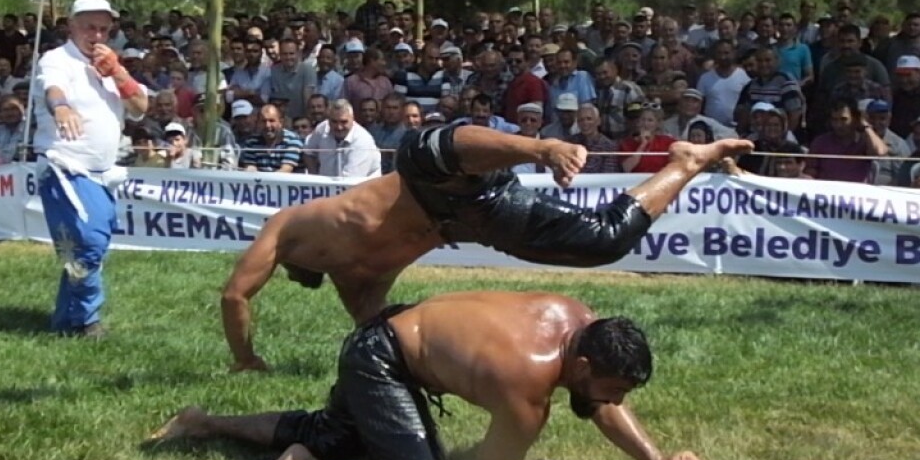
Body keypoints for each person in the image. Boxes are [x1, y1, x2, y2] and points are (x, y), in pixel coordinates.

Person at [220, 123, 752, 371]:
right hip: (469, 218)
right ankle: (685, 161)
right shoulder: (358, 282)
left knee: (425, 148)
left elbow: (235, 296)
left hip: (426, 179)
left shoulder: (286, 225)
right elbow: (378, 333)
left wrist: (245, 360)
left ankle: (540, 146)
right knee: (602, 242)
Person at [153, 291, 707, 460]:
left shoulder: (579, 319)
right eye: (615, 389)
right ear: (583, 366)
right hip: (383, 360)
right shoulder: (527, 387)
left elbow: (599, 400)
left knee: (334, 432)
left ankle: (200, 422)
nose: (617, 403)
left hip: (393, 328)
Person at [33, 0, 149, 339]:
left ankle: (65, 321)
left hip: (102, 173)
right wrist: (62, 109)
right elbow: (52, 89)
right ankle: (88, 321)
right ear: (72, 27)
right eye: (89, 28)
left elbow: (141, 106)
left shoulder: (111, 65)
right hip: (64, 167)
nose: (97, 36)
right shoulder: (56, 60)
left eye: (103, 29)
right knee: (90, 242)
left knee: (79, 247)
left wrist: (118, 72)